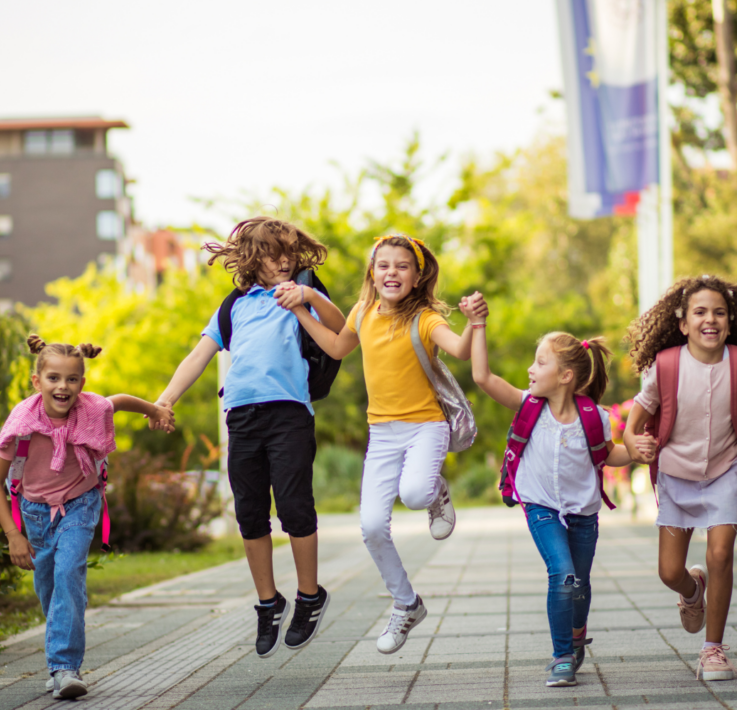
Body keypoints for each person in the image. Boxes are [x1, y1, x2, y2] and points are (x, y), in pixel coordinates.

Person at [150, 216, 345, 659]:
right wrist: (165, 400)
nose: (285, 261)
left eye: (290, 253)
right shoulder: (233, 305)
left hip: (289, 414)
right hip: (240, 418)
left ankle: (310, 596)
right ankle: (268, 602)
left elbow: (341, 329)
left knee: (295, 507)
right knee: (250, 514)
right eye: (275, 253)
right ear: (253, 259)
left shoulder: (300, 292)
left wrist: (308, 295)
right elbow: (197, 356)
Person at [276, 234, 478, 654]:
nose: (392, 273)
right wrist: (300, 308)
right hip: (382, 433)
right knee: (370, 527)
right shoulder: (363, 312)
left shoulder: (424, 319)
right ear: (372, 272)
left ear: (418, 276)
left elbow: (459, 350)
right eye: (384, 265)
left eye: (402, 266)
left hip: (426, 425)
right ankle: (407, 603)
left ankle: (437, 491)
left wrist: (476, 322)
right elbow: (335, 346)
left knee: (417, 493)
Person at [0, 335, 175, 700]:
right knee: (50, 587)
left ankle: (64, 667)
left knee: (68, 572)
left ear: (82, 384)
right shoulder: (22, 423)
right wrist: (13, 534)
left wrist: (154, 410)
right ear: (36, 381)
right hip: (35, 511)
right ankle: (62, 649)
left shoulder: (91, 408)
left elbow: (117, 402)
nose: (63, 386)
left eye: (72, 379)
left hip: (80, 502)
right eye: (54, 378)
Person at [462, 293, 631, 688]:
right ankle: (562, 657)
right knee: (564, 576)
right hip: (540, 507)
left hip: (584, 513)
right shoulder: (528, 405)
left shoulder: (596, 418)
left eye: (540, 362)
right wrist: (479, 325)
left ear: (566, 375)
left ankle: (576, 633)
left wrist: (635, 453)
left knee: (582, 584)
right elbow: (483, 378)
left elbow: (609, 454)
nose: (530, 369)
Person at [624, 274, 737, 682]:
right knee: (669, 572)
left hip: (726, 472)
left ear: (729, 320)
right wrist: (634, 443)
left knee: (722, 553)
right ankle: (693, 590)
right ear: (684, 323)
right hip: (676, 477)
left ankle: (713, 650)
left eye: (720, 313)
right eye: (701, 312)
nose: (711, 320)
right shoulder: (667, 364)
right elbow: (634, 421)